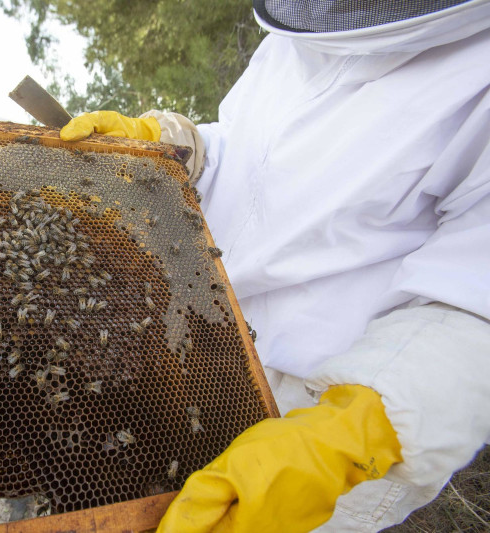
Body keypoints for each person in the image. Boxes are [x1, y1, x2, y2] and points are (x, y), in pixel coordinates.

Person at [60, 1, 490, 531]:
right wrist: (174, 149)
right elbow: (245, 157)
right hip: (189, 329)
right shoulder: (295, 35)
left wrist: (354, 431)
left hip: (306, 423)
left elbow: (476, 301)